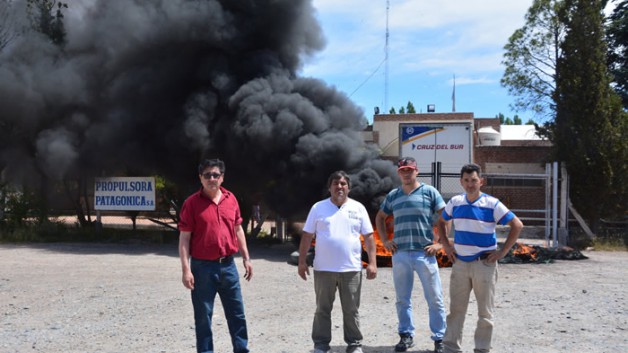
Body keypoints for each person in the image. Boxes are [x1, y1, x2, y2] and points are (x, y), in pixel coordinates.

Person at [436, 163, 523, 353]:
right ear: (461, 182)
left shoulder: (492, 204)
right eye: (466, 180)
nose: (470, 184)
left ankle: (482, 349)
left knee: (485, 312)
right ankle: (451, 347)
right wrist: (446, 245)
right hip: (459, 264)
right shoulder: (455, 202)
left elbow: (517, 225)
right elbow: (441, 222)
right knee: (456, 311)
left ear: (481, 181)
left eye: (474, 180)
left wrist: (503, 252)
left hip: (484, 264)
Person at [178, 158, 253, 353]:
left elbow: (238, 230)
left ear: (222, 177)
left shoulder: (231, 199)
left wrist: (246, 258)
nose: (212, 178)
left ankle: (241, 350)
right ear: (200, 178)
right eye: (207, 175)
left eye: (215, 175)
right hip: (202, 268)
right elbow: (184, 239)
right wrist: (186, 270)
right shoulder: (191, 204)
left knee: (237, 314)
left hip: (229, 266)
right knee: (203, 317)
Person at [298, 170, 377, 353]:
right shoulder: (318, 208)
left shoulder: (358, 208)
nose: (339, 187)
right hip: (324, 269)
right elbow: (307, 235)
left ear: (348, 187)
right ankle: (321, 344)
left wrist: (372, 263)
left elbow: (369, 237)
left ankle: (354, 344)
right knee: (322, 309)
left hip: (351, 269)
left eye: (343, 184)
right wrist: (302, 262)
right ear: (329, 187)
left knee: (351, 310)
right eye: (335, 183)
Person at [375, 156, 447, 353]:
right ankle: (406, 335)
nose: (406, 173)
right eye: (402, 170)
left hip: (425, 253)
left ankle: (440, 338)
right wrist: (385, 241)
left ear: (416, 171)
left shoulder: (430, 192)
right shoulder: (394, 195)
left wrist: (440, 243)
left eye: (409, 170)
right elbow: (380, 217)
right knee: (402, 298)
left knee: (435, 298)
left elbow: (445, 216)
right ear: (399, 173)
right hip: (401, 254)